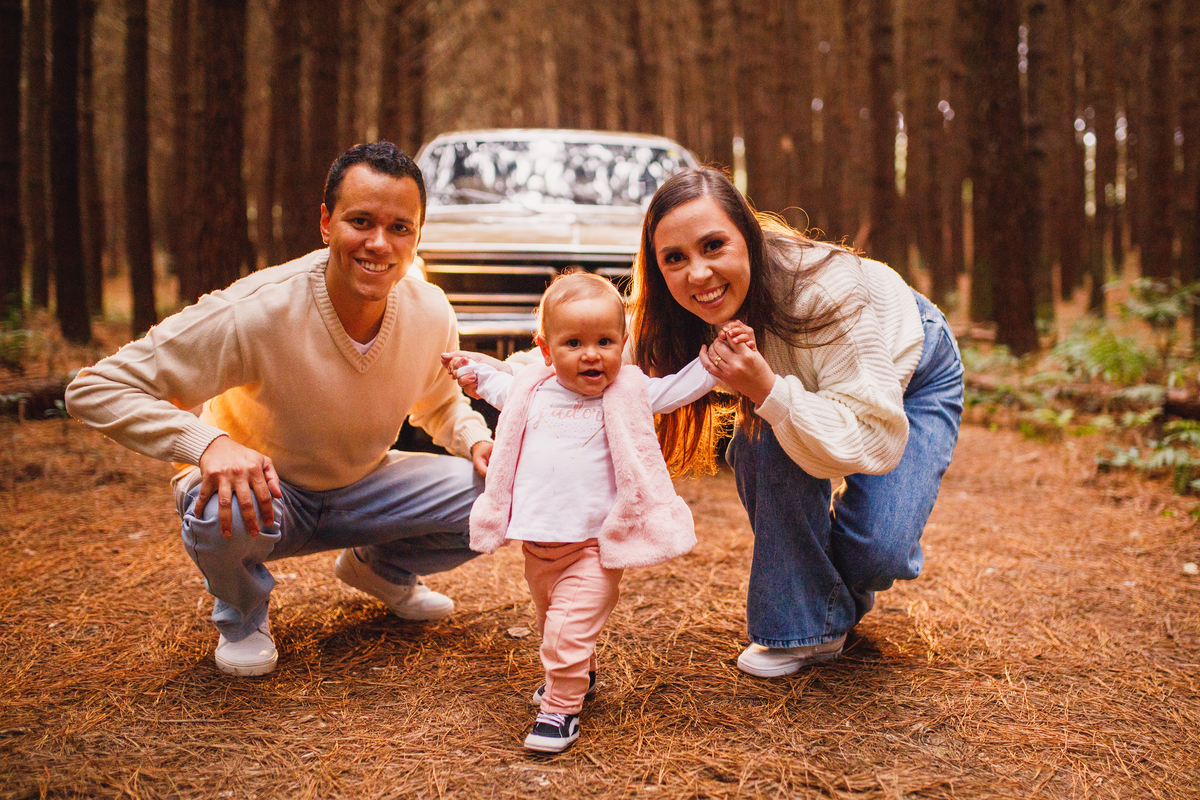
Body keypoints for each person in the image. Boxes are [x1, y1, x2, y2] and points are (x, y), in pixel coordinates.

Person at [65, 142, 494, 677]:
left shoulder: (429, 310)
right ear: (325, 222)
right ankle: (242, 614)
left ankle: (381, 569)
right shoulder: (257, 311)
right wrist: (207, 444)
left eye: (400, 227)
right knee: (214, 498)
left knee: (503, 491)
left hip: (363, 487)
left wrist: (476, 440)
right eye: (360, 221)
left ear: (418, 235)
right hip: (263, 496)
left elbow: (440, 402)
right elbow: (94, 387)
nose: (379, 243)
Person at [629, 166, 964, 678]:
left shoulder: (823, 291)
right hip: (799, 385)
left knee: (877, 552)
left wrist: (766, 389)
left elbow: (874, 437)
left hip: (909, 367)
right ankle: (806, 626)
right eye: (675, 258)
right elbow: (601, 369)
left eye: (713, 246)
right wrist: (516, 377)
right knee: (764, 444)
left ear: (748, 236)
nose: (697, 274)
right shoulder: (672, 310)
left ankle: (821, 597)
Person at [446, 272, 730, 753]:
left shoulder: (629, 393)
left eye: (604, 341)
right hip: (539, 549)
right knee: (553, 622)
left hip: (594, 548)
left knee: (563, 631)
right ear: (546, 348)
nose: (591, 354)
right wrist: (471, 373)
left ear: (624, 343)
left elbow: (680, 388)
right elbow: (497, 386)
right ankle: (583, 675)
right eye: (573, 342)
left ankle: (560, 710)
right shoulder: (532, 391)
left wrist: (717, 360)